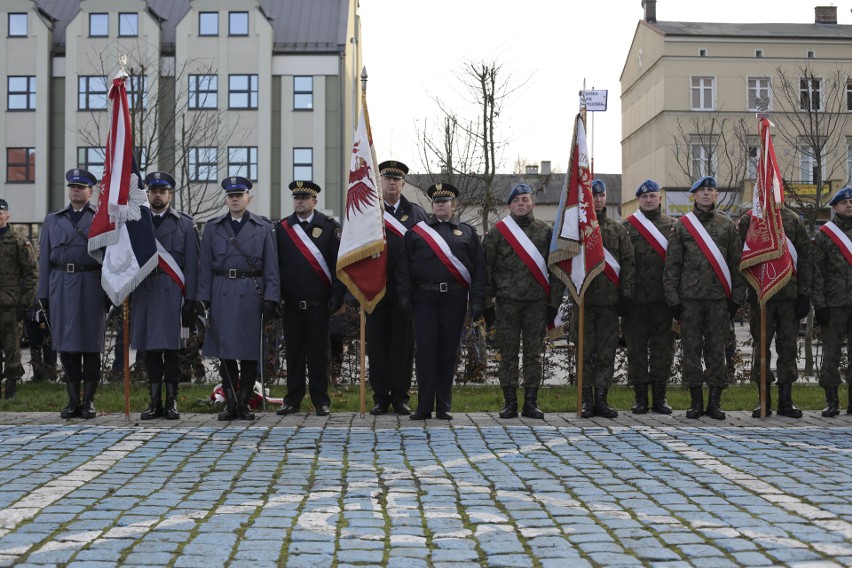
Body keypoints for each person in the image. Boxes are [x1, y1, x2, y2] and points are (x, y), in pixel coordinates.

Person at [396, 182, 486, 420]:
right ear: (432, 205)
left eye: (445, 202)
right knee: (425, 351)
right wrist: (403, 295)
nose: (440, 206)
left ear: (453, 205)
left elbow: (479, 269)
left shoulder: (467, 232)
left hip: (454, 299)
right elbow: (403, 267)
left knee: (449, 351)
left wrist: (477, 301)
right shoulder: (417, 232)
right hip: (423, 298)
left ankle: (444, 405)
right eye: (436, 202)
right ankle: (424, 406)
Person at [196, 176, 280, 421]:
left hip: (251, 292)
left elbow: (271, 266)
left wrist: (272, 298)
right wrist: (204, 298)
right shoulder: (213, 227)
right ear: (225, 199)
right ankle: (231, 402)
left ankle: (244, 403)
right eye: (231, 195)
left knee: (249, 351)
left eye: (239, 195)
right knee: (226, 352)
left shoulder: (263, 227)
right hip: (222, 291)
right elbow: (205, 267)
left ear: (248, 199)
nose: (234, 199)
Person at [664, 175, 745, 420]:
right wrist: (673, 300)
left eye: (711, 190)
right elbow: (672, 265)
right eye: (702, 190)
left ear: (716, 195)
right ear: (694, 195)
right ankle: (696, 402)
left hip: (719, 300)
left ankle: (715, 403)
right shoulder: (682, 226)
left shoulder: (727, 226)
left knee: (717, 351)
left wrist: (736, 299)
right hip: (689, 301)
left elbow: (737, 265)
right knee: (691, 351)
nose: (707, 194)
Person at [483, 184, 563, 419]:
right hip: (507, 303)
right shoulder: (498, 232)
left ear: (532, 204)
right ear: (509, 205)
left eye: (525, 199)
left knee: (533, 354)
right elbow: (486, 270)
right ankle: (509, 402)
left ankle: (531, 402)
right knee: (507, 353)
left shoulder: (546, 232)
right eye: (516, 199)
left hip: (537, 303)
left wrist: (553, 304)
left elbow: (556, 268)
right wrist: (488, 305)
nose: (521, 203)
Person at [37, 169, 109, 418]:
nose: (76, 190)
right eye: (73, 187)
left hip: (91, 283)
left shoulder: (101, 218)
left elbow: (110, 258)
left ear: (91, 191)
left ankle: (88, 401)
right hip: (61, 284)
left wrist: (111, 292)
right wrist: (42, 294)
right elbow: (44, 259)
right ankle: (71, 400)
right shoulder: (53, 220)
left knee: (91, 344)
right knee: (67, 345)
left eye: (81, 187)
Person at [132, 172, 200, 420]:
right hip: (145, 292)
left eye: (162, 191)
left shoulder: (184, 223)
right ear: (147, 194)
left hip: (173, 293)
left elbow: (192, 264)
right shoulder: (136, 221)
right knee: (150, 351)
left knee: (172, 351)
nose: (157, 195)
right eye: (153, 191)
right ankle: (153, 403)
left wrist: (191, 299)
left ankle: (171, 403)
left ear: (170, 194)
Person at [275, 180, 345, 417]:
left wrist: (338, 294)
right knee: (294, 354)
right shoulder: (283, 229)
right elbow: (276, 267)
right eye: (296, 198)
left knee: (318, 354)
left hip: (319, 304)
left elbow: (338, 264)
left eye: (304, 198)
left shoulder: (329, 227)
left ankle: (320, 401)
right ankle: (292, 400)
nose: (300, 202)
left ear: (314, 201)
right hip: (292, 304)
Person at [366, 160, 428, 415]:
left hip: (406, 291)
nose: (391, 183)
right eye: (387, 179)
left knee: (403, 346)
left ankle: (401, 396)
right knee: (377, 346)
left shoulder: (417, 214)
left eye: (396, 180)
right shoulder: (368, 212)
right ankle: (380, 397)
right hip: (375, 288)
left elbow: (425, 252)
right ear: (380, 183)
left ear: (403, 184)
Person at [738, 205, 811, 418]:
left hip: (789, 297)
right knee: (761, 348)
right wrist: (741, 294)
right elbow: (740, 258)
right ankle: (764, 400)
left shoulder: (793, 219)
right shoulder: (749, 221)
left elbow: (805, 258)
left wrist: (805, 294)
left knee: (788, 347)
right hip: (761, 297)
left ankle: (786, 401)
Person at [575, 178, 634, 419]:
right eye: (593, 196)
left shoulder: (617, 230)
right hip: (585, 303)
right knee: (585, 353)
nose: (597, 200)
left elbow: (629, 264)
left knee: (606, 354)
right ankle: (586, 400)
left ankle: (602, 398)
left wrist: (626, 296)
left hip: (610, 304)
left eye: (601, 195)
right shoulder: (577, 230)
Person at [622, 180, 677, 414]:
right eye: (644, 197)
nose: (648, 200)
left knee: (663, 350)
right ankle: (640, 398)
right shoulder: (626, 227)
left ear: (660, 199)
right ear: (638, 200)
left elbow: (677, 264)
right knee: (636, 351)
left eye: (652, 196)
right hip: (635, 302)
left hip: (663, 301)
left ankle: (660, 398)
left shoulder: (674, 226)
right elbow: (622, 264)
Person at [812, 186, 852, 417]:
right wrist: (820, 305)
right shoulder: (825, 234)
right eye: (844, 202)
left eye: (851, 202)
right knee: (831, 354)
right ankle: (832, 401)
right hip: (833, 304)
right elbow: (817, 273)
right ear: (835, 206)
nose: (849, 205)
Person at [0, 198, 38, 400]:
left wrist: (26, 302)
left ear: (7, 216)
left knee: (12, 346)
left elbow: (31, 272)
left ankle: (11, 388)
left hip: (11, 302)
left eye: (0, 213)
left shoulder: (17, 239)